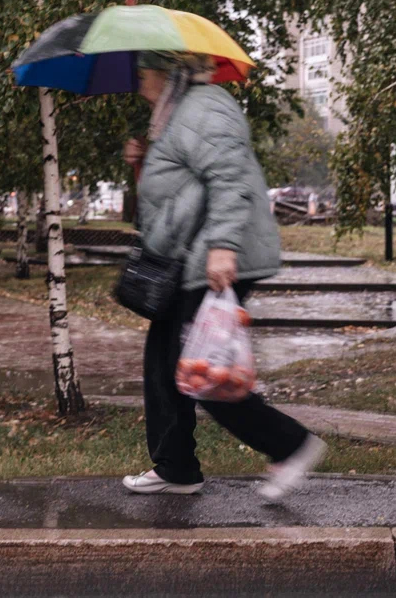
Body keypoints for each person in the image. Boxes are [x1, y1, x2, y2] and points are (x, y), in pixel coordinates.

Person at [121, 50, 326, 501]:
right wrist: (144, 160)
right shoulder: (175, 114)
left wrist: (222, 247)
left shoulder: (205, 106)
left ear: (165, 71)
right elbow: (182, 186)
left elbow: (230, 177)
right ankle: (175, 467)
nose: (136, 82)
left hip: (210, 256)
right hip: (187, 256)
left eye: (141, 72)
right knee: (163, 365)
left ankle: (291, 444)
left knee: (206, 368)